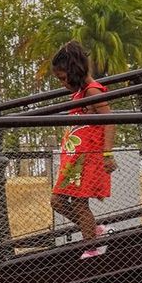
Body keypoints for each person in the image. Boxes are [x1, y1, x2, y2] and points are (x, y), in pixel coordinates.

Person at [49, 40, 115, 259]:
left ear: (74, 71)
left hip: (88, 159)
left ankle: (92, 248)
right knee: (57, 201)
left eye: (63, 78)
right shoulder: (79, 94)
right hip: (74, 159)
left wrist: (107, 153)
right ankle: (94, 230)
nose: (62, 84)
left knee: (79, 203)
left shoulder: (92, 91)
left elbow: (110, 121)